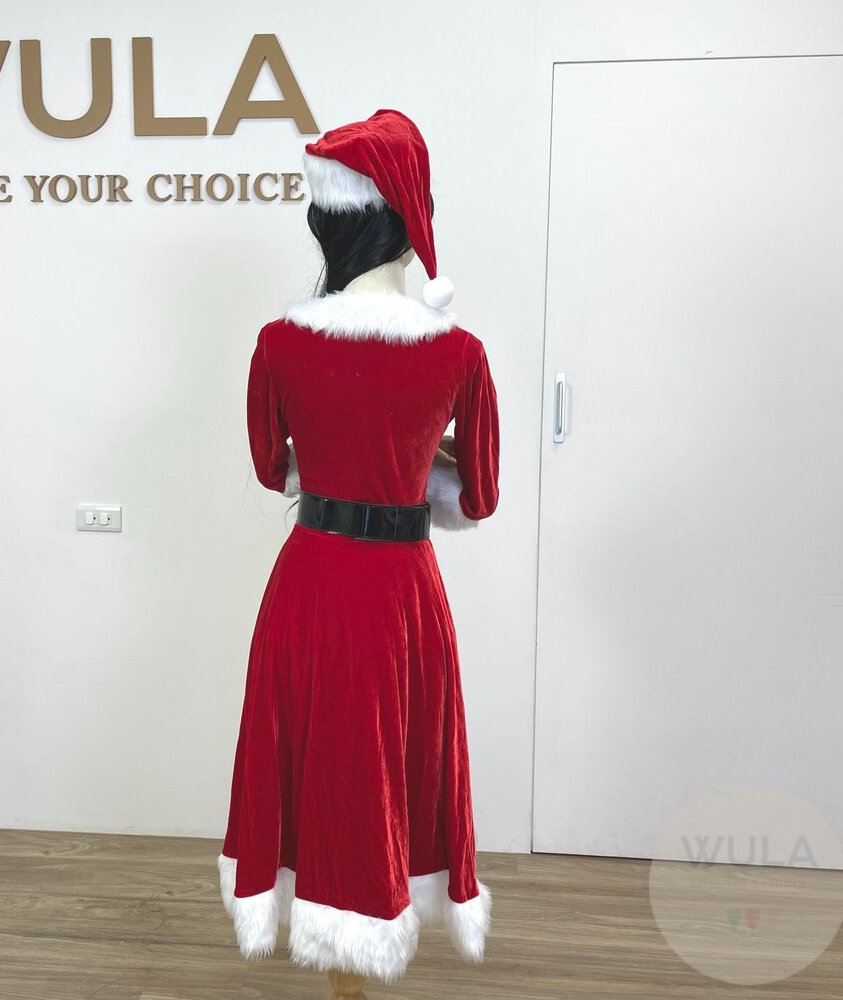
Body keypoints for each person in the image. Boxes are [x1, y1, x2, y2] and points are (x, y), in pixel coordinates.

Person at [218, 109, 500, 986]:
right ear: (412, 220)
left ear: (328, 222)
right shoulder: (459, 352)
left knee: (316, 762)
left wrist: (345, 448)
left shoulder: (279, 343)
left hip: (310, 588)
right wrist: (418, 452)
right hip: (402, 597)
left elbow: (273, 467)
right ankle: (372, 920)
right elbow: (479, 496)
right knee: (392, 767)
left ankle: (330, 931)